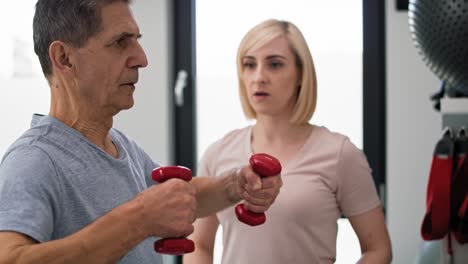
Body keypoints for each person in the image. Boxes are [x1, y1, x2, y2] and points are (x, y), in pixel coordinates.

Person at [0, 1, 282, 264]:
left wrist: (234, 186)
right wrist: (138, 220)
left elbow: (180, 197)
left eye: (137, 41)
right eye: (120, 42)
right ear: (65, 58)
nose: (142, 59)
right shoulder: (34, 160)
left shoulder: (121, 146)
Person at [184, 19, 392, 264]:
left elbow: (378, 249)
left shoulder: (340, 153)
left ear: (301, 74)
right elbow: (198, 245)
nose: (258, 77)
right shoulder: (218, 153)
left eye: (274, 64)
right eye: (249, 65)